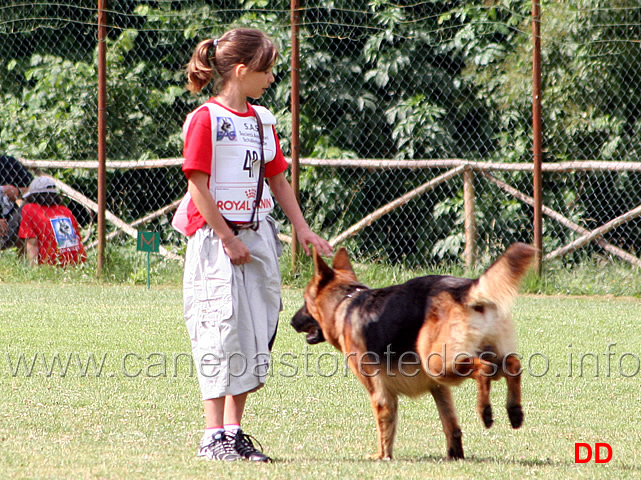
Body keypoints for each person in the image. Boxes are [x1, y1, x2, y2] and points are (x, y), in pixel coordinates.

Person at [177, 28, 332, 463]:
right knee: (218, 331)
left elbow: (277, 178)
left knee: (255, 335)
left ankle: (234, 432)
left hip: (257, 237)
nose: (271, 78)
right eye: (265, 70)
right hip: (216, 241)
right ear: (242, 71)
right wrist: (226, 238)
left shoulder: (262, 120)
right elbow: (198, 185)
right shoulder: (206, 119)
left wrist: (301, 228)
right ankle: (212, 438)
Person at [18, 176, 86, 266]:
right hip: (75, 263)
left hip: (50, 263)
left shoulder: (30, 209)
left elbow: (32, 242)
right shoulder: (65, 211)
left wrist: (33, 269)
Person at [0, 155, 33, 249]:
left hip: (11, 225)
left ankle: (25, 253)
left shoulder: (8, 163)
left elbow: (34, 189)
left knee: (31, 205)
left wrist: (17, 191)